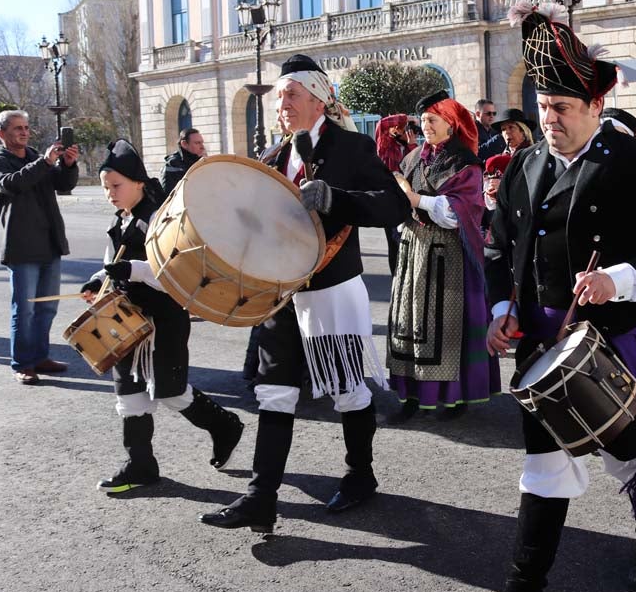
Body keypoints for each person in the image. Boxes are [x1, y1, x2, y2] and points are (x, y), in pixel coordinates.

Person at [460, 3, 636, 592]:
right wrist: (505, 308)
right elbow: (497, 245)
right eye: (543, 108)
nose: (549, 120)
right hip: (541, 340)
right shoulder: (524, 166)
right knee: (544, 462)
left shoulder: (635, 162)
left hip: (615, 335)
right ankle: (524, 591)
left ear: (595, 106)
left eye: (562, 109)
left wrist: (616, 279)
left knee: (628, 454)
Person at [199, 54, 410, 534]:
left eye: (291, 93)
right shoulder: (274, 157)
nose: (282, 101)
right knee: (274, 393)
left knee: (348, 390)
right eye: (279, 95)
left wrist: (336, 198)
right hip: (280, 293)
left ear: (319, 99)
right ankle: (259, 496)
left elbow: (395, 205)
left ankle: (360, 475)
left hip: (331, 292)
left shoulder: (353, 148)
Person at [80, 140, 243, 493]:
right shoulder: (121, 217)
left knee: (170, 393)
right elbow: (111, 263)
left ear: (138, 182)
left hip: (164, 320)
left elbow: (177, 276)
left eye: (116, 186)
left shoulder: (159, 217)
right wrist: (98, 280)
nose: (111, 194)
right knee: (129, 394)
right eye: (106, 188)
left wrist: (132, 270)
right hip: (126, 319)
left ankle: (225, 426)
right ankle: (140, 465)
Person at [387, 91, 499, 421]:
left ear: (450, 124)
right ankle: (410, 394)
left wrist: (414, 199)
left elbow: (456, 212)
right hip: (413, 251)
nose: (426, 126)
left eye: (432, 120)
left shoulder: (464, 163)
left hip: (447, 254)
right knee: (409, 321)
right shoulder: (413, 158)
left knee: (446, 325)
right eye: (423, 121)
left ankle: (454, 396)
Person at [0, 110, 80, 384]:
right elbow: (12, 184)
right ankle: (22, 364)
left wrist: (68, 165)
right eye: (17, 128)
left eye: (26, 127)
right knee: (23, 310)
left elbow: (63, 185)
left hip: (50, 242)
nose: (24, 132)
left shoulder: (37, 157)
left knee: (47, 307)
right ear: (1, 134)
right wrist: (46, 161)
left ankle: (40, 357)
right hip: (23, 246)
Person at [375, 114, 420, 274]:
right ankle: (395, 278)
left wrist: (412, 145)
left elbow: (417, 169)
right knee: (393, 243)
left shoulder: (410, 147)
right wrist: (406, 118)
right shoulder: (386, 144)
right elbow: (381, 124)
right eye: (405, 128)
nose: (408, 131)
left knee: (407, 241)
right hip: (389, 200)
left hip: (407, 200)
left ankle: (406, 277)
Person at [159, 127, 206, 198]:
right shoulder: (172, 165)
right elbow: (169, 197)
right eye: (197, 143)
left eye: (202, 143)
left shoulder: (202, 161)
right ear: (184, 144)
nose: (202, 147)